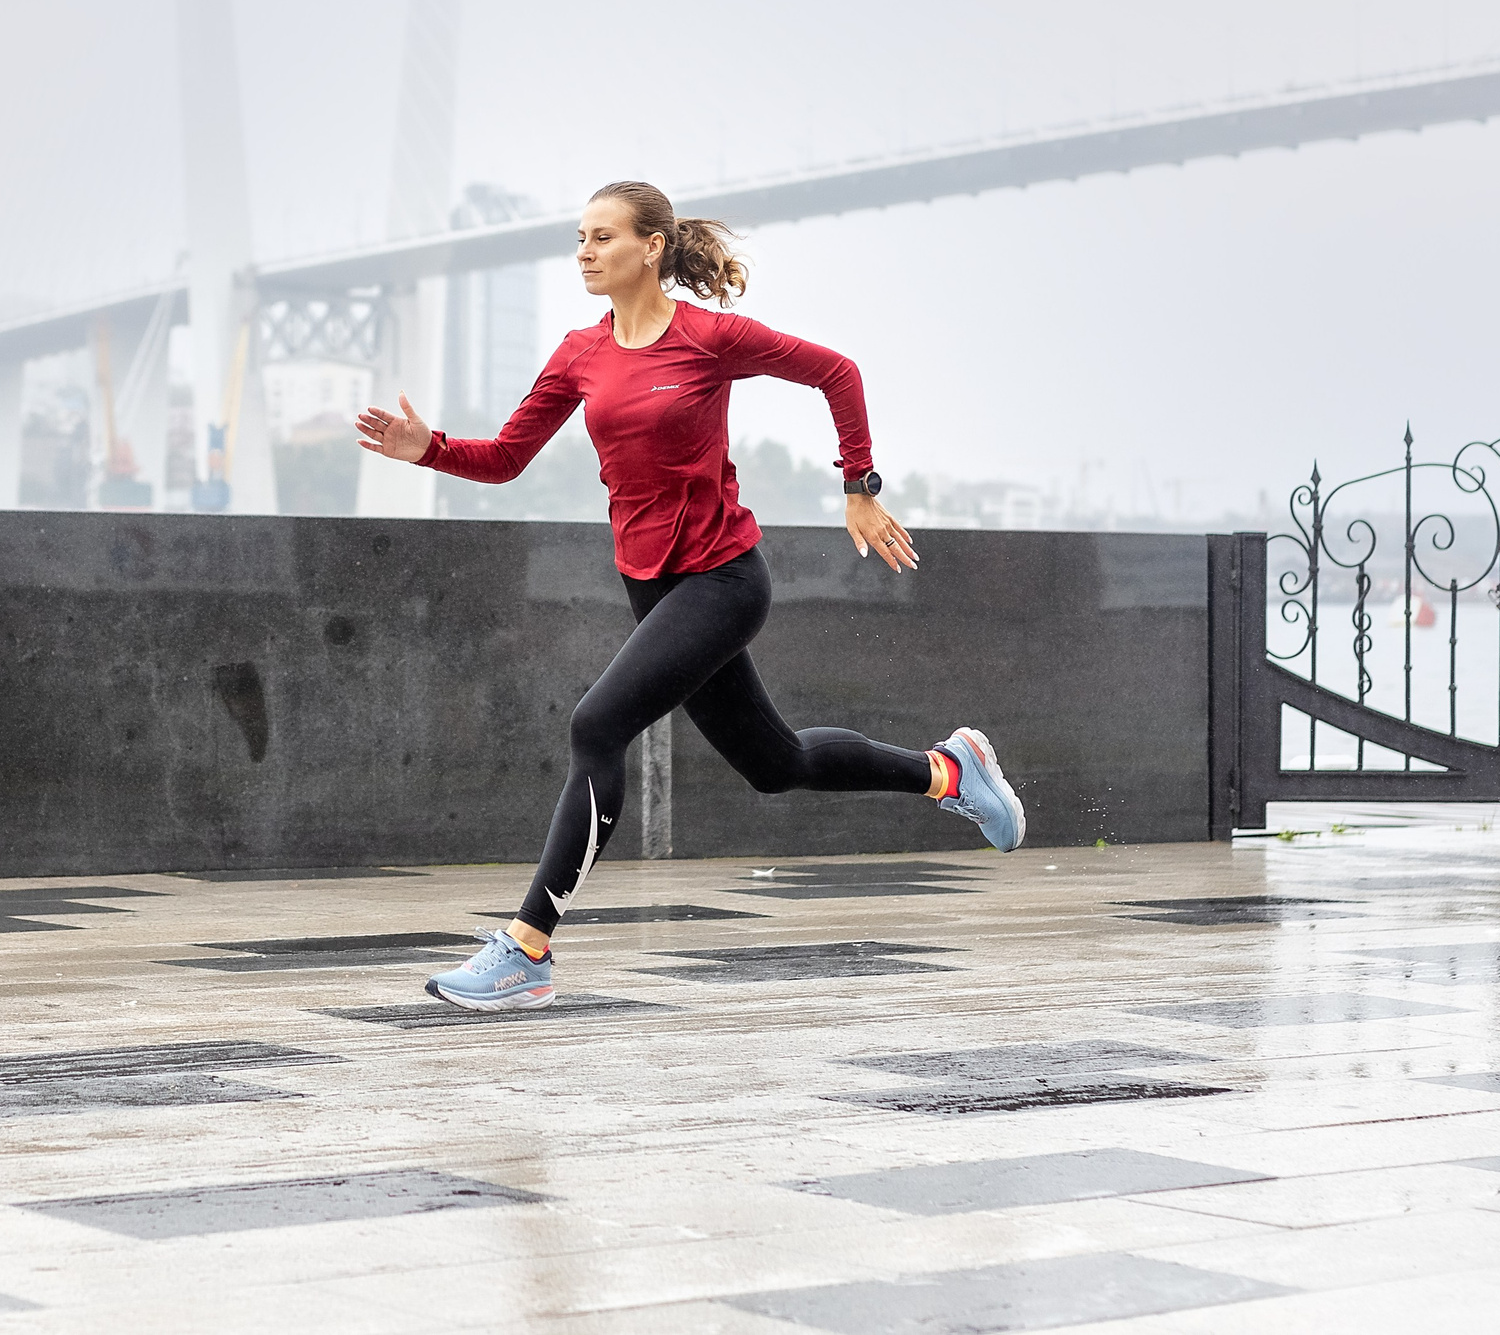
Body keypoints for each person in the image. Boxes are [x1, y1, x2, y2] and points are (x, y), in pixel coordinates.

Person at [354, 179, 1025, 1013]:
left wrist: (859, 483)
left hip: (723, 579)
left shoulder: (709, 338)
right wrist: (429, 449)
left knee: (596, 724)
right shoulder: (578, 353)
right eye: (580, 237)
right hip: (652, 585)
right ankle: (947, 770)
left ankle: (527, 948)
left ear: (653, 246)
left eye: (603, 237)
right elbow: (505, 458)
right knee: (777, 765)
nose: (586, 252)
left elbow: (836, 372)